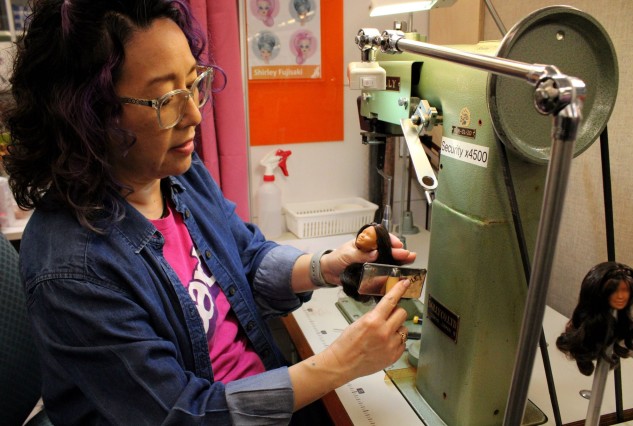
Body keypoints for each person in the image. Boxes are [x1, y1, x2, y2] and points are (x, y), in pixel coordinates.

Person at [1, 0, 417, 424]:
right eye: (166, 99)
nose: (195, 115)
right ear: (87, 115)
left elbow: (246, 257)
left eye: (193, 84)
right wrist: (340, 363)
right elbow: (182, 414)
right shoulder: (73, 268)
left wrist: (329, 267)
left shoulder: (175, 172)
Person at [556, 261, 633, 376]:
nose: (620, 296)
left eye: (625, 290)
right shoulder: (588, 325)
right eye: (613, 290)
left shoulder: (621, 321)